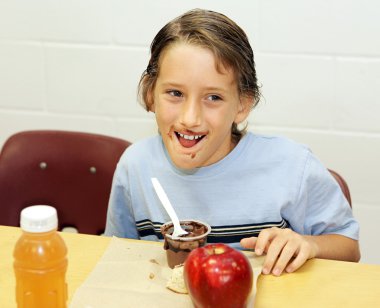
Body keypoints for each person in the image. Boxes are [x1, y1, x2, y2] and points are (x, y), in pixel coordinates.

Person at [105, 8, 360, 276]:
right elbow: (116, 255)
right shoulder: (135, 166)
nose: (190, 118)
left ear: (242, 104)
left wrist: (308, 244)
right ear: (150, 94)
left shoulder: (294, 166)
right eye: (175, 93)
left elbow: (349, 248)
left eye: (213, 97)